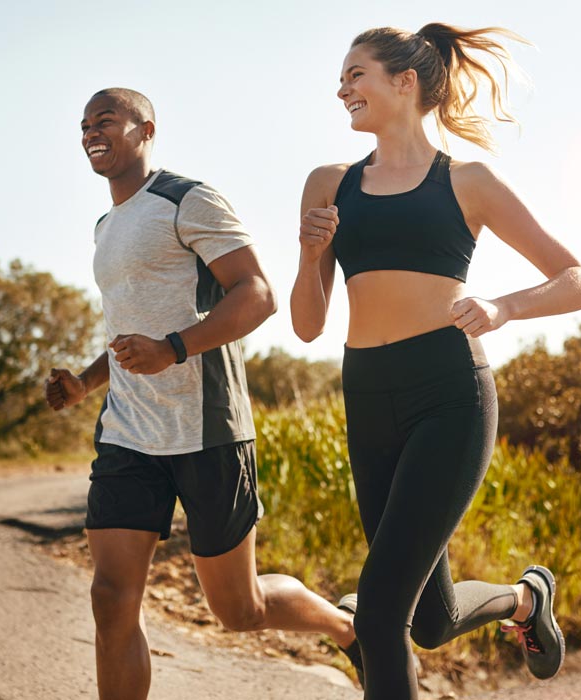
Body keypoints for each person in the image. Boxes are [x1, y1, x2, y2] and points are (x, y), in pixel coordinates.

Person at [290, 23, 581, 700]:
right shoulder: (328, 183)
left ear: (405, 83)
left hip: (448, 394)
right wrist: (312, 254)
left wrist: (504, 308)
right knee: (429, 621)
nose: (342, 88)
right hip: (367, 395)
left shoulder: (468, 181)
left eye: (356, 74)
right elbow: (308, 325)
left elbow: (580, 280)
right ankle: (526, 599)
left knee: (376, 614)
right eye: (342, 77)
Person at [44, 87, 355, 700]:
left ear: (145, 129)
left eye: (104, 120)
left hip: (208, 430)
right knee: (110, 599)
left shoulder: (188, 200)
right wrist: (84, 383)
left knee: (239, 609)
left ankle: (349, 628)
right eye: (83, 126)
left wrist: (175, 348)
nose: (90, 132)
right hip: (128, 432)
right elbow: (124, 331)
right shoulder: (107, 226)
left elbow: (257, 294)